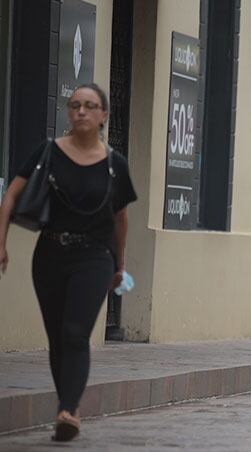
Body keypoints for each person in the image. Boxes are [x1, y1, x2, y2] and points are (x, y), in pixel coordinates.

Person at [0, 84, 137, 441]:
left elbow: (121, 218)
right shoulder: (48, 152)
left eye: (90, 106)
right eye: (75, 105)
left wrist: (119, 264)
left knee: (75, 332)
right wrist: (1, 243)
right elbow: (12, 193)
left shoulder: (113, 164)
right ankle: (67, 404)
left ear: (104, 115)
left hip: (94, 258)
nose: (81, 112)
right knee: (58, 337)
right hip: (49, 255)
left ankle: (69, 409)